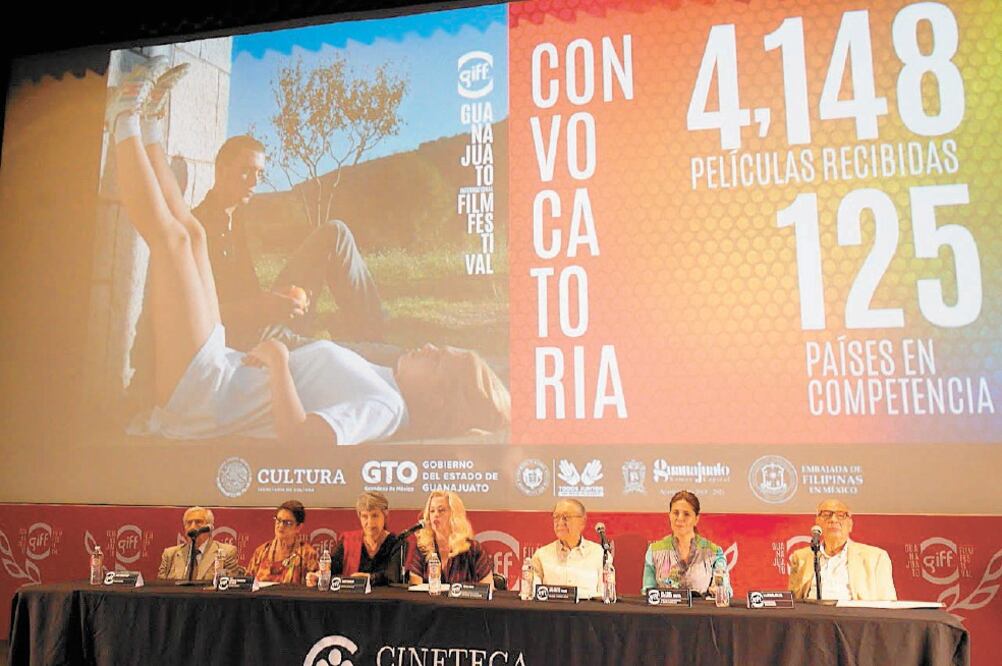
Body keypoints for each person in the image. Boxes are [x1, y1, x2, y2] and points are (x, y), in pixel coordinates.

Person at [105, 57, 510, 445]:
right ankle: (152, 123)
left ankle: (124, 117)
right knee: (190, 234)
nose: (430, 346)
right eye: (442, 348)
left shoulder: (387, 407)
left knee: (174, 242)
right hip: (224, 367)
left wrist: (279, 359)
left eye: (439, 361)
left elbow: (301, 440)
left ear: (437, 398)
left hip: (210, 396)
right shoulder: (386, 386)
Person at [192, 135, 384, 350]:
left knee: (335, 232)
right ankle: (383, 354)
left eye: (260, 173)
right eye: (246, 170)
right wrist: (262, 307)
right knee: (351, 355)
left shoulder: (236, 216)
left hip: (261, 316)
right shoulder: (197, 230)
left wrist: (279, 298)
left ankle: (374, 331)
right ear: (222, 170)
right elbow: (196, 316)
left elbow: (244, 291)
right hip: (245, 338)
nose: (255, 182)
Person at [788, 498, 897, 601]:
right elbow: (792, 603)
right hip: (811, 618)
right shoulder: (801, 557)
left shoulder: (875, 557)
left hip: (855, 618)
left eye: (840, 515)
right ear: (817, 522)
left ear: (850, 524)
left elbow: (888, 604)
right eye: (826, 515)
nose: (833, 520)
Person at [641, 490, 732, 596]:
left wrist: (718, 590)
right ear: (669, 515)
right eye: (675, 513)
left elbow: (725, 592)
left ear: (696, 519)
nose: (680, 518)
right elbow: (647, 593)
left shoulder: (714, 553)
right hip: (664, 612)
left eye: (686, 514)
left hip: (701, 611)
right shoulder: (654, 551)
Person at [406, 491, 492, 585]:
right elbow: (415, 587)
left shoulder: (472, 549)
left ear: (454, 515)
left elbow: (488, 588)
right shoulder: (423, 547)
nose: (436, 515)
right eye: (432, 511)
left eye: (441, 510)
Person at [529, 499, 604, 598]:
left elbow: (604, 595)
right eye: (556, 517)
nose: (560, 522)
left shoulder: (598, 553)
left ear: (582, 522)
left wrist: (572, 595)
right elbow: (533, 593)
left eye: (566, 517)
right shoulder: (542, 555)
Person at [330, 491, 402, 586]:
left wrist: (368, 578)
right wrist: (320, 575)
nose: (370, 522)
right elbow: (330, 570)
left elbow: (393, 576)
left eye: (375, 516)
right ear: (359, 517)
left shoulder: (397, 543)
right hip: (352, 598)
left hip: (386, 599)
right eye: (365, 516)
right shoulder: (347, 540)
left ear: (385, 515)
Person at [244, 500, 318, 584]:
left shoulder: (307, 554)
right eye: (278, 520)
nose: (281, 526)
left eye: (287, 523)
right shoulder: (261, 552)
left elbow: (314, 584)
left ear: (299, 527)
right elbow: (247, 583)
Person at [157, 506, 239, 581]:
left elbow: (228, 588)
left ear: (209, 528)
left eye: (198, 522)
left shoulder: (226, 552)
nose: (192, 527)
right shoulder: (170, 554)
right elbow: (160, 588)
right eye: (189, 523)